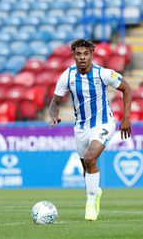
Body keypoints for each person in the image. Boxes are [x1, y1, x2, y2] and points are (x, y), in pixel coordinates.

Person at [49, 39, 132, 221]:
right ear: (73, 55)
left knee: (90, 158)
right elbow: (55, 102)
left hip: (103, 124)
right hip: (81, 128)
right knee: (87, 168)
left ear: (92, 55)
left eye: (86, 54)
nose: (82, 58)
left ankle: (90, 203)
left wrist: (126, 117)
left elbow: (126, 88)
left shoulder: (103, 74)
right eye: (78, 54)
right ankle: (96, 191)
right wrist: (54, 115)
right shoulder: (67, 76)